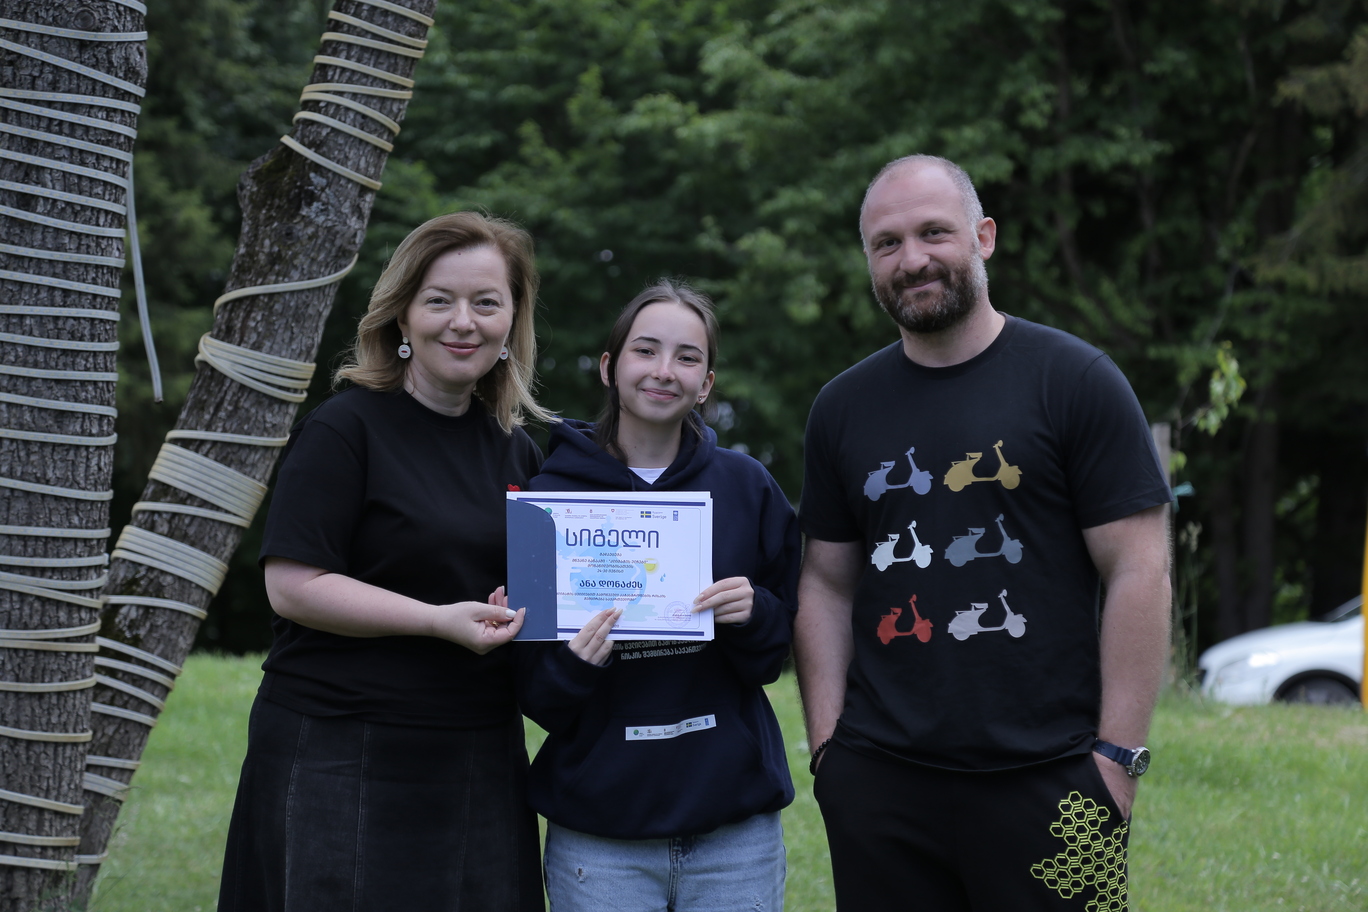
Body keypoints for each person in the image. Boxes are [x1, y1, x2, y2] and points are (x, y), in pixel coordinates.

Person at [794, 155, 1172, 911]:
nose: (912, 259)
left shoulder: (1077, 381)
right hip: (880, 790)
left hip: (1062, 783)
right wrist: (829, 753)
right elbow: (826, 584)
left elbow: (1140, 569)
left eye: (933, 233)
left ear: (984, 236)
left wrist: (1116, 761)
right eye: (887, 243)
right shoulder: (841, 407)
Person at [217, 212, 552, 912]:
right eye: (439, 300)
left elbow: (536, 596)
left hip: (477, 753)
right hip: (339, 750)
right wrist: (435, 620)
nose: (463, 322)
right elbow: (293, 586)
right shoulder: (344, 429)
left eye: (486, 303)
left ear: (511, 323)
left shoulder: (517, 451)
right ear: (402, 315)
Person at [514, 281, 799, 911]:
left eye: (687, 358)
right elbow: (535, 696)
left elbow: (772, 655)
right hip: (600, 837)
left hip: (733, 831)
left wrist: (754, 613)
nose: (664, 371)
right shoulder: (547, 500)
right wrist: (574, 663)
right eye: (645, 350)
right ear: (609, 367)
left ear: (706, 383)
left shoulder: (747, 487)